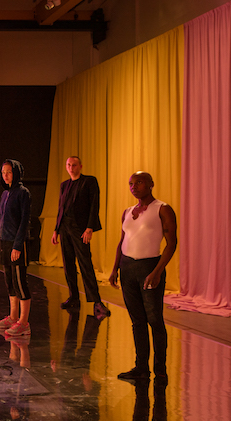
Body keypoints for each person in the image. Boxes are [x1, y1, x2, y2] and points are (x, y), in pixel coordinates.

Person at [109, 171, 177, 383]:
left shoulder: (162, 209)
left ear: (151, 184)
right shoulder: (128, 212)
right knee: (137, 320)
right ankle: (141, 367)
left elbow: (172, 243)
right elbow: (122, 241)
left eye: (139, 182)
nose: (134, 186)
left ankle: (160, 369)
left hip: (149, 267)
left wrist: (157, 271)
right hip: (127, 268)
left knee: (155, 319)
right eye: (130, 183)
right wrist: (114, 269)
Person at [52, 156, 111, 319]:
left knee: (85, 264)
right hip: (65, 228)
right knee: (68, 264)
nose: (71, 167)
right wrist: (56, 230)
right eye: (69, 165)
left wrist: (90, 228)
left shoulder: (89, 182)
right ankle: (74, 297)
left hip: (80, 229)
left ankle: (97, 302)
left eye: (74, 165)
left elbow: (94, 205)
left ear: (80, 166)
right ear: (66, 167)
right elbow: (61, 208)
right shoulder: (64, 185)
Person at [0, 159, 32, 338]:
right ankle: (13, 317)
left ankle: (23, 322)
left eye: (8, 172)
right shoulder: (4, 194)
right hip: (4, 243)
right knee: (9, 281)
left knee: (20, 282)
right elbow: (0, 220)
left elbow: (24, 221)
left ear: (16, 172)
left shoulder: (23, 193)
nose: (5, 175)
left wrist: (17, 245)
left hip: (17, 243)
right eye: (3, 172)